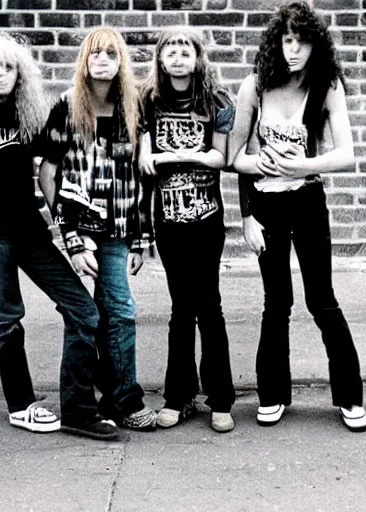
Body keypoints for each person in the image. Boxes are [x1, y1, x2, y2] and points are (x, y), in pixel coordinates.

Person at [0, 33, 119, 440]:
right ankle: (21, 406)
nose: (2, 75)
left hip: (29, 229)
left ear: (19, 74)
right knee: (8, 317)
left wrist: (72, 229)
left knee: (83, 309)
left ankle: (78, 409)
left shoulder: (28, 117)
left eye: (10, 68)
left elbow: (52, 173)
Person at [228, 1, 366, 432]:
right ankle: (272, 395)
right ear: (276, 42)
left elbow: (345, 153)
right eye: (286, 40)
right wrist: (248, 214)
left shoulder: (326, 85)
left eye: (302, 41)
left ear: (315, 44)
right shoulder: (254, 85)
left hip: (307, 200)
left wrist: (302, 167)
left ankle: (349, 398)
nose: (293, 50)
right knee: (277, 302)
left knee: (321, 299)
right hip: (266, 205)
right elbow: (234, 156)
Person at [38, 27, 156, 432]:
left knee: (118, 312)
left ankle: (119, 398)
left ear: (121, 61)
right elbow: (48, 174)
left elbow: (140, 181)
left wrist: (142, 238)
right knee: (87, 315)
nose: (102, 59)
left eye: (110, 53)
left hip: (119, 230)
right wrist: (69, 236)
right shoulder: (67, 108)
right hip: (81, 231)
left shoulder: (133, 109)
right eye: (95, 53)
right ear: (84, 62)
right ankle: (93, 401)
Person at [138, 28, 236, 433]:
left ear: (198, 58)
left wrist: (170, 154)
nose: (178, 57)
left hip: (207, 219)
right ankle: (178, 396)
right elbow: (143, 167)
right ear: (160, 60)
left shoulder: (216, 101)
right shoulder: (148, 102)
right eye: (171, 51)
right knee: (181, 310)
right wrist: (147, 149)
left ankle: (220, 400)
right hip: (170, 223)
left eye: (186, 50)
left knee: (209, 307)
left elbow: (220, 158)